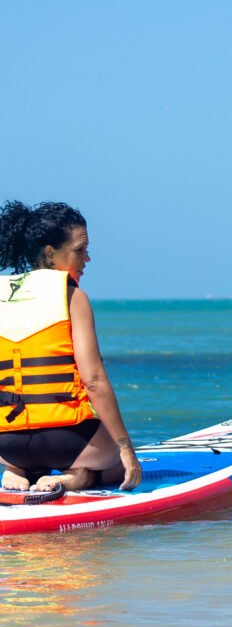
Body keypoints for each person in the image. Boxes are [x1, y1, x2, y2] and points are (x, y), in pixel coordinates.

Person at [0, 201, 142, 492]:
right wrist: (126, 449)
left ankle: (17, 472)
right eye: (79, 250)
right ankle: (77, 477)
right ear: (51, 253)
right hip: (64, 441)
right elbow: (93, 381)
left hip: (7, 444)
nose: (87, 258)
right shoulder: (72, 297)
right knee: (116, 464)